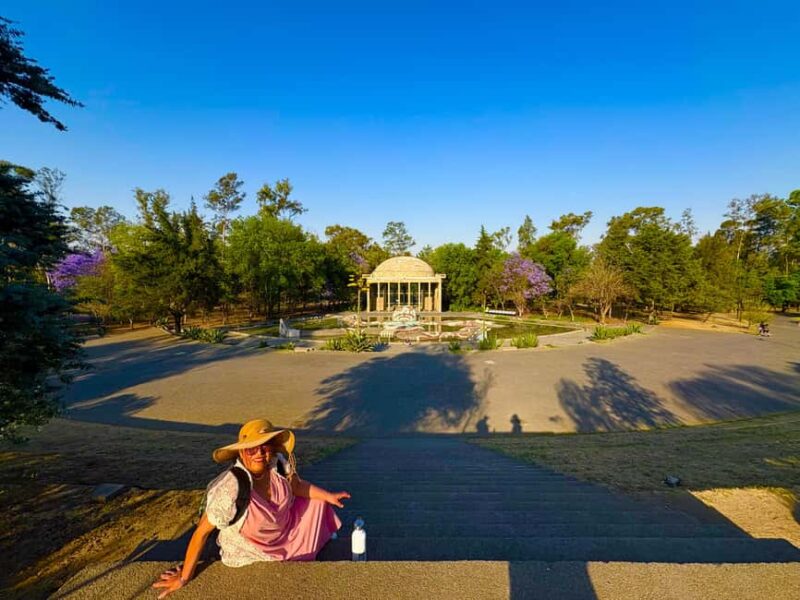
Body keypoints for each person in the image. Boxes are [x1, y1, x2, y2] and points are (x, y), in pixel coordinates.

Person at [153, 419, 350, 598]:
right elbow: (201, 533)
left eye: (265, 447)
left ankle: (296, 547)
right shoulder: (231, 487)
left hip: (283, 532)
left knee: (317, 502)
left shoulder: (277, 465)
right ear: (241, 452)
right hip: (254, 548)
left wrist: (329, 496)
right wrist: (184, 577)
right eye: (252, 449)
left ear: (272, 449)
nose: (260, 454)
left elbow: (297, 486)